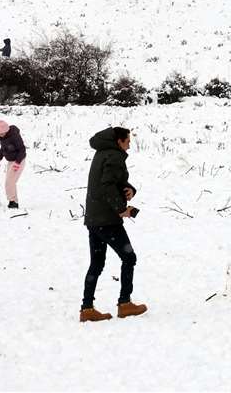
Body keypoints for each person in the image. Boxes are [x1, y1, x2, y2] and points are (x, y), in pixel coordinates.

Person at [81, 127, 146, 321]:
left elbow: (115, 181)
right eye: (127, 141)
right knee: (129, 258)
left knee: (97, 263)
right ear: (119, 141)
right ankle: (125, 304)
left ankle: (87, 308)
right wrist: (121, 210)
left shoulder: (103, 153)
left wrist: (130, 190)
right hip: (107, 220)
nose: (129, 145)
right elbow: (107, 186)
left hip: (94, 218)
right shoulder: (115, 156)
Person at [0, 120, 27, 209]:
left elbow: (22, 150)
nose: (0, 135)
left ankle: (13, 203)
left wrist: (17, 162)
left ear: (6, 130)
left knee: (10, 182)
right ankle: (13, 201)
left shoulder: (14, 136)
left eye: (2, 133)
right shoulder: (3, 137)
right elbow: (3, 149)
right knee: (9, 182)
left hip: (19, 160)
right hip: (11, 161)